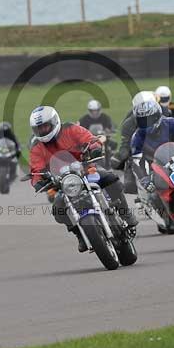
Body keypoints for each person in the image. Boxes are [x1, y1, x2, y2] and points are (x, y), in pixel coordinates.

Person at [28, 105, 138, 252]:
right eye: (39, 128)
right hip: (63, 183)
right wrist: (38, 180)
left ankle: (126, 215)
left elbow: (89, 139)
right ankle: (79, 234)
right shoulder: (37, 146)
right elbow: (36, 169)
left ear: (54, 122)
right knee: (58, 209)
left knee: (111, 179)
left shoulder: (70, 129)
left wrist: (94, 147)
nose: (43, 130)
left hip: (86, 169)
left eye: (46, 126)